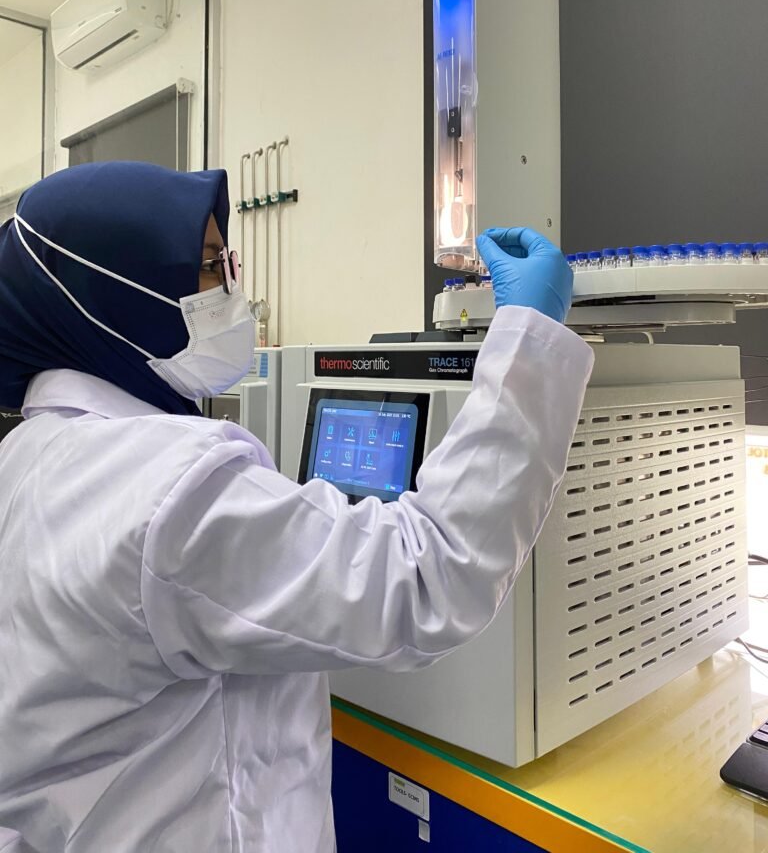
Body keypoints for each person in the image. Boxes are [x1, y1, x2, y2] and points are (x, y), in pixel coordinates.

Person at [0, 161, 593, 852]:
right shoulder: (166, 488)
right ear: (112, 294)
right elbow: (428, 574)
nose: (232, 289)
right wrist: (527, 338)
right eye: (208, 266)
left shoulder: (26, 457)